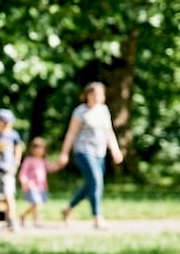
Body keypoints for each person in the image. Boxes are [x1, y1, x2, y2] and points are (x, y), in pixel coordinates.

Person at [58, 81, 124, 229]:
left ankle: (68, 209)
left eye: (100, 94)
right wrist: (64, 153)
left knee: (90, 185)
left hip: (99, 152)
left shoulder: (103, 110)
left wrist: (115, 149)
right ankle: (97, 217)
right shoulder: (80, 111)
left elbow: (109, 132)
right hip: (83, 151)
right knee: (96, 180)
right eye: (93, 94)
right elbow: (71, 133)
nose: (96, 97)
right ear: (86, 95)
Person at [18, 137, 62, 227]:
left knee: (36, 204)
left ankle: (23, 215)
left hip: (41, 187)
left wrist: (59, 165)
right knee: (36, 203)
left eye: (41, 149)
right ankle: (36, 221)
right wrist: (24, 182)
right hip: (31, 186)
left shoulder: (43, 160)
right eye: (37, 149)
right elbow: (23, 173)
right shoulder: (29, 160)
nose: (39, 151)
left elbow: (50, 168)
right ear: (32, 149)